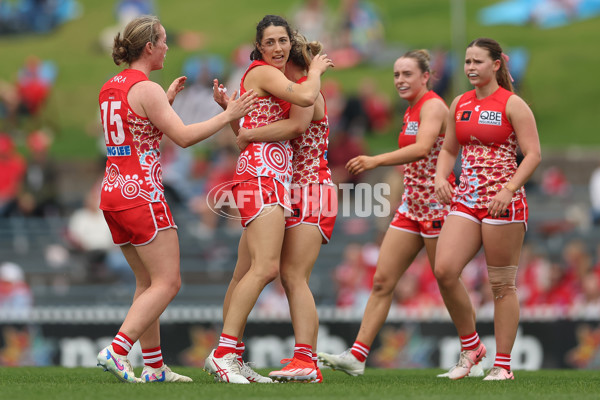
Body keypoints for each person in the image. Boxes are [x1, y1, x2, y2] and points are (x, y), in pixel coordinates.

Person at [95, 15, 256, 384]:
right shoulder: (145, 87)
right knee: (168, 283)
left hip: (113, 192)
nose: (168, 46)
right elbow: (183, 137)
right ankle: (117, 350)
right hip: (143, 195)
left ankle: (154, 368)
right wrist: (228, 114)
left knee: (147, 284)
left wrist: (163, 101)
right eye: (164, 40)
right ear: (149, 46)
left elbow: (135, 134)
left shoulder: (110, 86)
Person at [204, 15, 333, 384]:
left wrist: (236, 121)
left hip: (307, 187)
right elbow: (251, 135)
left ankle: (245, 354)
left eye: (285, 44)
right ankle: (228, 353)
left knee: (283, 274)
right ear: (260, 47)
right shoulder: (276, 79)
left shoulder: (302, 87)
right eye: (272, 43)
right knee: (263, 271)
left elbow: (292, 125)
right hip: (271, 178)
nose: (280, 51)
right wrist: (235, 120)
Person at [318, 49, 462, 376]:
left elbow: (424, 148)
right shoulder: (411, 110)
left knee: (447, 280)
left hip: (438, 206)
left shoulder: (434, 106)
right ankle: (358, 355)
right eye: (396, 74)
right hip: (412, 207)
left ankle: (473, 350)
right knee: (382, 281)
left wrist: (374, 160)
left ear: (425, 76)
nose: (399, 80)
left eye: (407, 74)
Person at [433, 37, 541, 381]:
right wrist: (440, 176)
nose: (470, 68)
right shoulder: (459, 103)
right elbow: (449, 148)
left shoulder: (513, 104)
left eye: (477, 62)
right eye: (467, 62)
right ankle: (472, 347)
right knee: (445, 270)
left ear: (496, 65)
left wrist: (510, 190)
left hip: (502, 202)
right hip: (467, 199)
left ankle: (503, 365)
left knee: (501, 286)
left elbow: (534, 154)